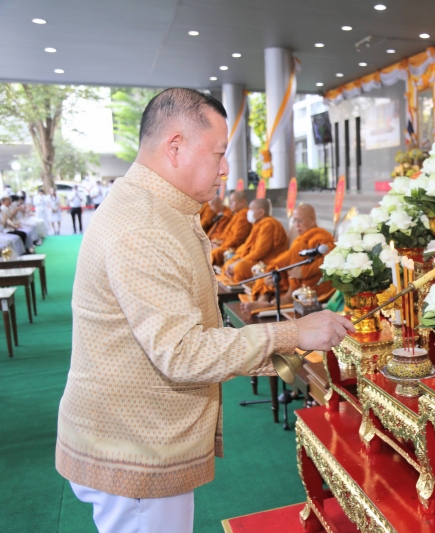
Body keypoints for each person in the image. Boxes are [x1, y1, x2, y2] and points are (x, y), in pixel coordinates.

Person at [56, 87, 354, 533]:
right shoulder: (145, 224)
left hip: (139, 437)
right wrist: (295, 334)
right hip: (136, 450)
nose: (225, 169)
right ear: (175, 146)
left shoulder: (163, 207)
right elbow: (182, 353)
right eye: (218, 153)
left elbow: (196, 324)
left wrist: (286, 359)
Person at [242, 204, 334, 312]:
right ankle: (264, 300)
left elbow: (330, 261)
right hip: (295, 278)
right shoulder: (300, 239)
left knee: (297, 250)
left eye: (300, 221)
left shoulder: (322, 237)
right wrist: (273, 270)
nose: (297, 225)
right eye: (294, 221)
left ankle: (289, 296)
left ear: (312, 219)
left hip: (315, 282)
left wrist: (304, 271)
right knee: (271, 271)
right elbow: (287, 258)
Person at [221, 198, 288, 282]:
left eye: (251, 209)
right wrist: (238, 258)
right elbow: (247, 246)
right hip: (253, 260)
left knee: (239, 268)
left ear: (261, 213)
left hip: (265, 263)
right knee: (229, 263)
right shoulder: (258, 225)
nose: (248, 212)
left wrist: (241, 261)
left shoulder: (269, 225)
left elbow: (260, 252)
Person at [210, 191, 251, 265]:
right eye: (230, 201)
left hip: (235, 248)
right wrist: (218, 242)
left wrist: (221, 246)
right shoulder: (237, 214)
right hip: (225, 245)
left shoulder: (244, 216)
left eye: (233, 201)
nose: (230, 204)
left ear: (242, 202)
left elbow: (238, 238)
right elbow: (227, 234)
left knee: (213, 252)